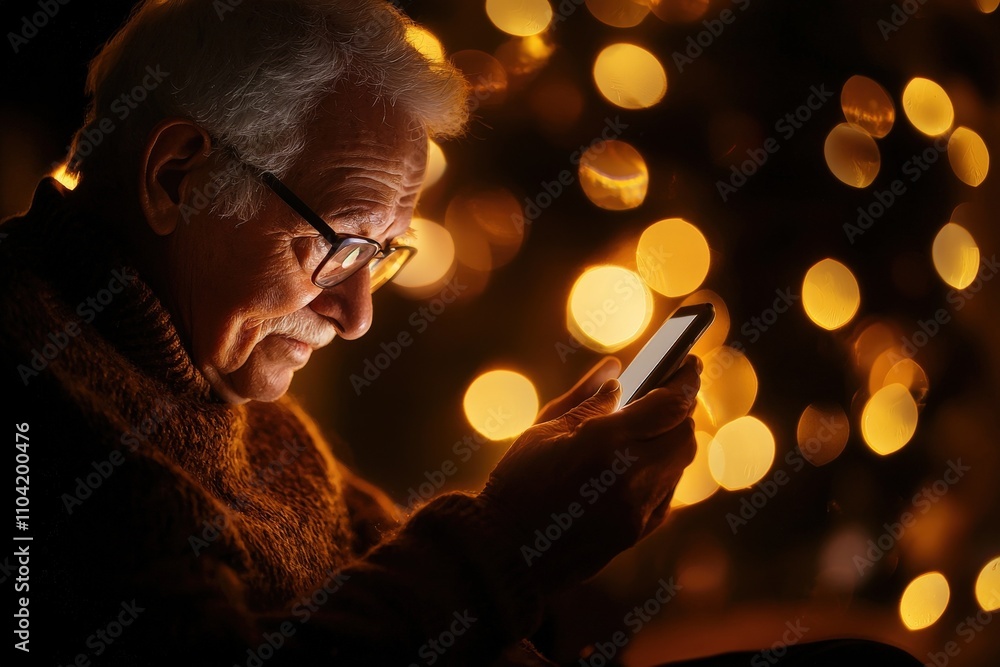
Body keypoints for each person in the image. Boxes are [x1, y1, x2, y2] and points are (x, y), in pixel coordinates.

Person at [1, 1, 920, 665]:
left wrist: (553, 516)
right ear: (176, 177)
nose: (356, 315)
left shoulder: (231, 389)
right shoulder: (36, 392)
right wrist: (511, 542)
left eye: (384, 256)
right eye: (343, 243)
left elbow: (410, 592)